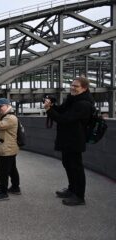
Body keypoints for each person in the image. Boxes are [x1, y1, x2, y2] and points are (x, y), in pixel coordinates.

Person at [44, 76, 94, 206]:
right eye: (72, 85)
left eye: (76, 86)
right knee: (67, 164)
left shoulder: (84, 104)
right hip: (67, 138)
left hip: (75, 140)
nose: (72, 87)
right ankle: (72, 189)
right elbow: (61, 110)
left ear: (84, 88)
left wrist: (49, 110)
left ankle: (79, 196)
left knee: (77, 167)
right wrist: (52, 104)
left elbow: (64, 119)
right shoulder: (73, 99)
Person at [0, 98, 21, 201]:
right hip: (10, 148)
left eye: (1, 106)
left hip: (7, 149)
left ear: (8, 105)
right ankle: (15, 188)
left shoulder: (11, 117)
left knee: (2, 171)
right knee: (12, 169)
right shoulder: (6, 116)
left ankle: (3, 193)